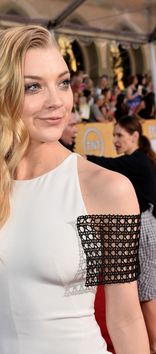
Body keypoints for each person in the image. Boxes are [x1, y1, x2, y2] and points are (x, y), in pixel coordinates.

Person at [0, 25, 149, 354]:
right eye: (33, 87)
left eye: (63, 82)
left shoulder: (108, 189)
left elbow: (125, 319)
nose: (57, 101)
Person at [86, 115, 156, 353]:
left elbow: (103, 163)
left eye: (119, 136)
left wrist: (79, 159)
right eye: (113, 135)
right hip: (144, 226)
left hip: (145, 229)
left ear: (134, 136)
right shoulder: (138, 159)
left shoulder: (136, 162)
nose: (114, 140)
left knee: (147, 291)